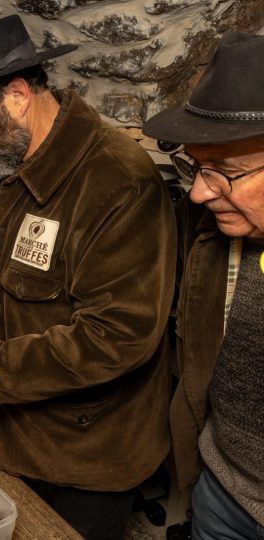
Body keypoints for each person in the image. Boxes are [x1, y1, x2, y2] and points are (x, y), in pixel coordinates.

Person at [0, 15, 177, 539]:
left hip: (88, 453)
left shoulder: (118, 181)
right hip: (9, 429)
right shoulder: (1, 161)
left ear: (15, 94)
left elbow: (117, 338)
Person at [143, 31, 264, 539]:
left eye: (224, 172)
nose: (197, 193)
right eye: (196, 166)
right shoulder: (218, 232)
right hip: (223, 488)